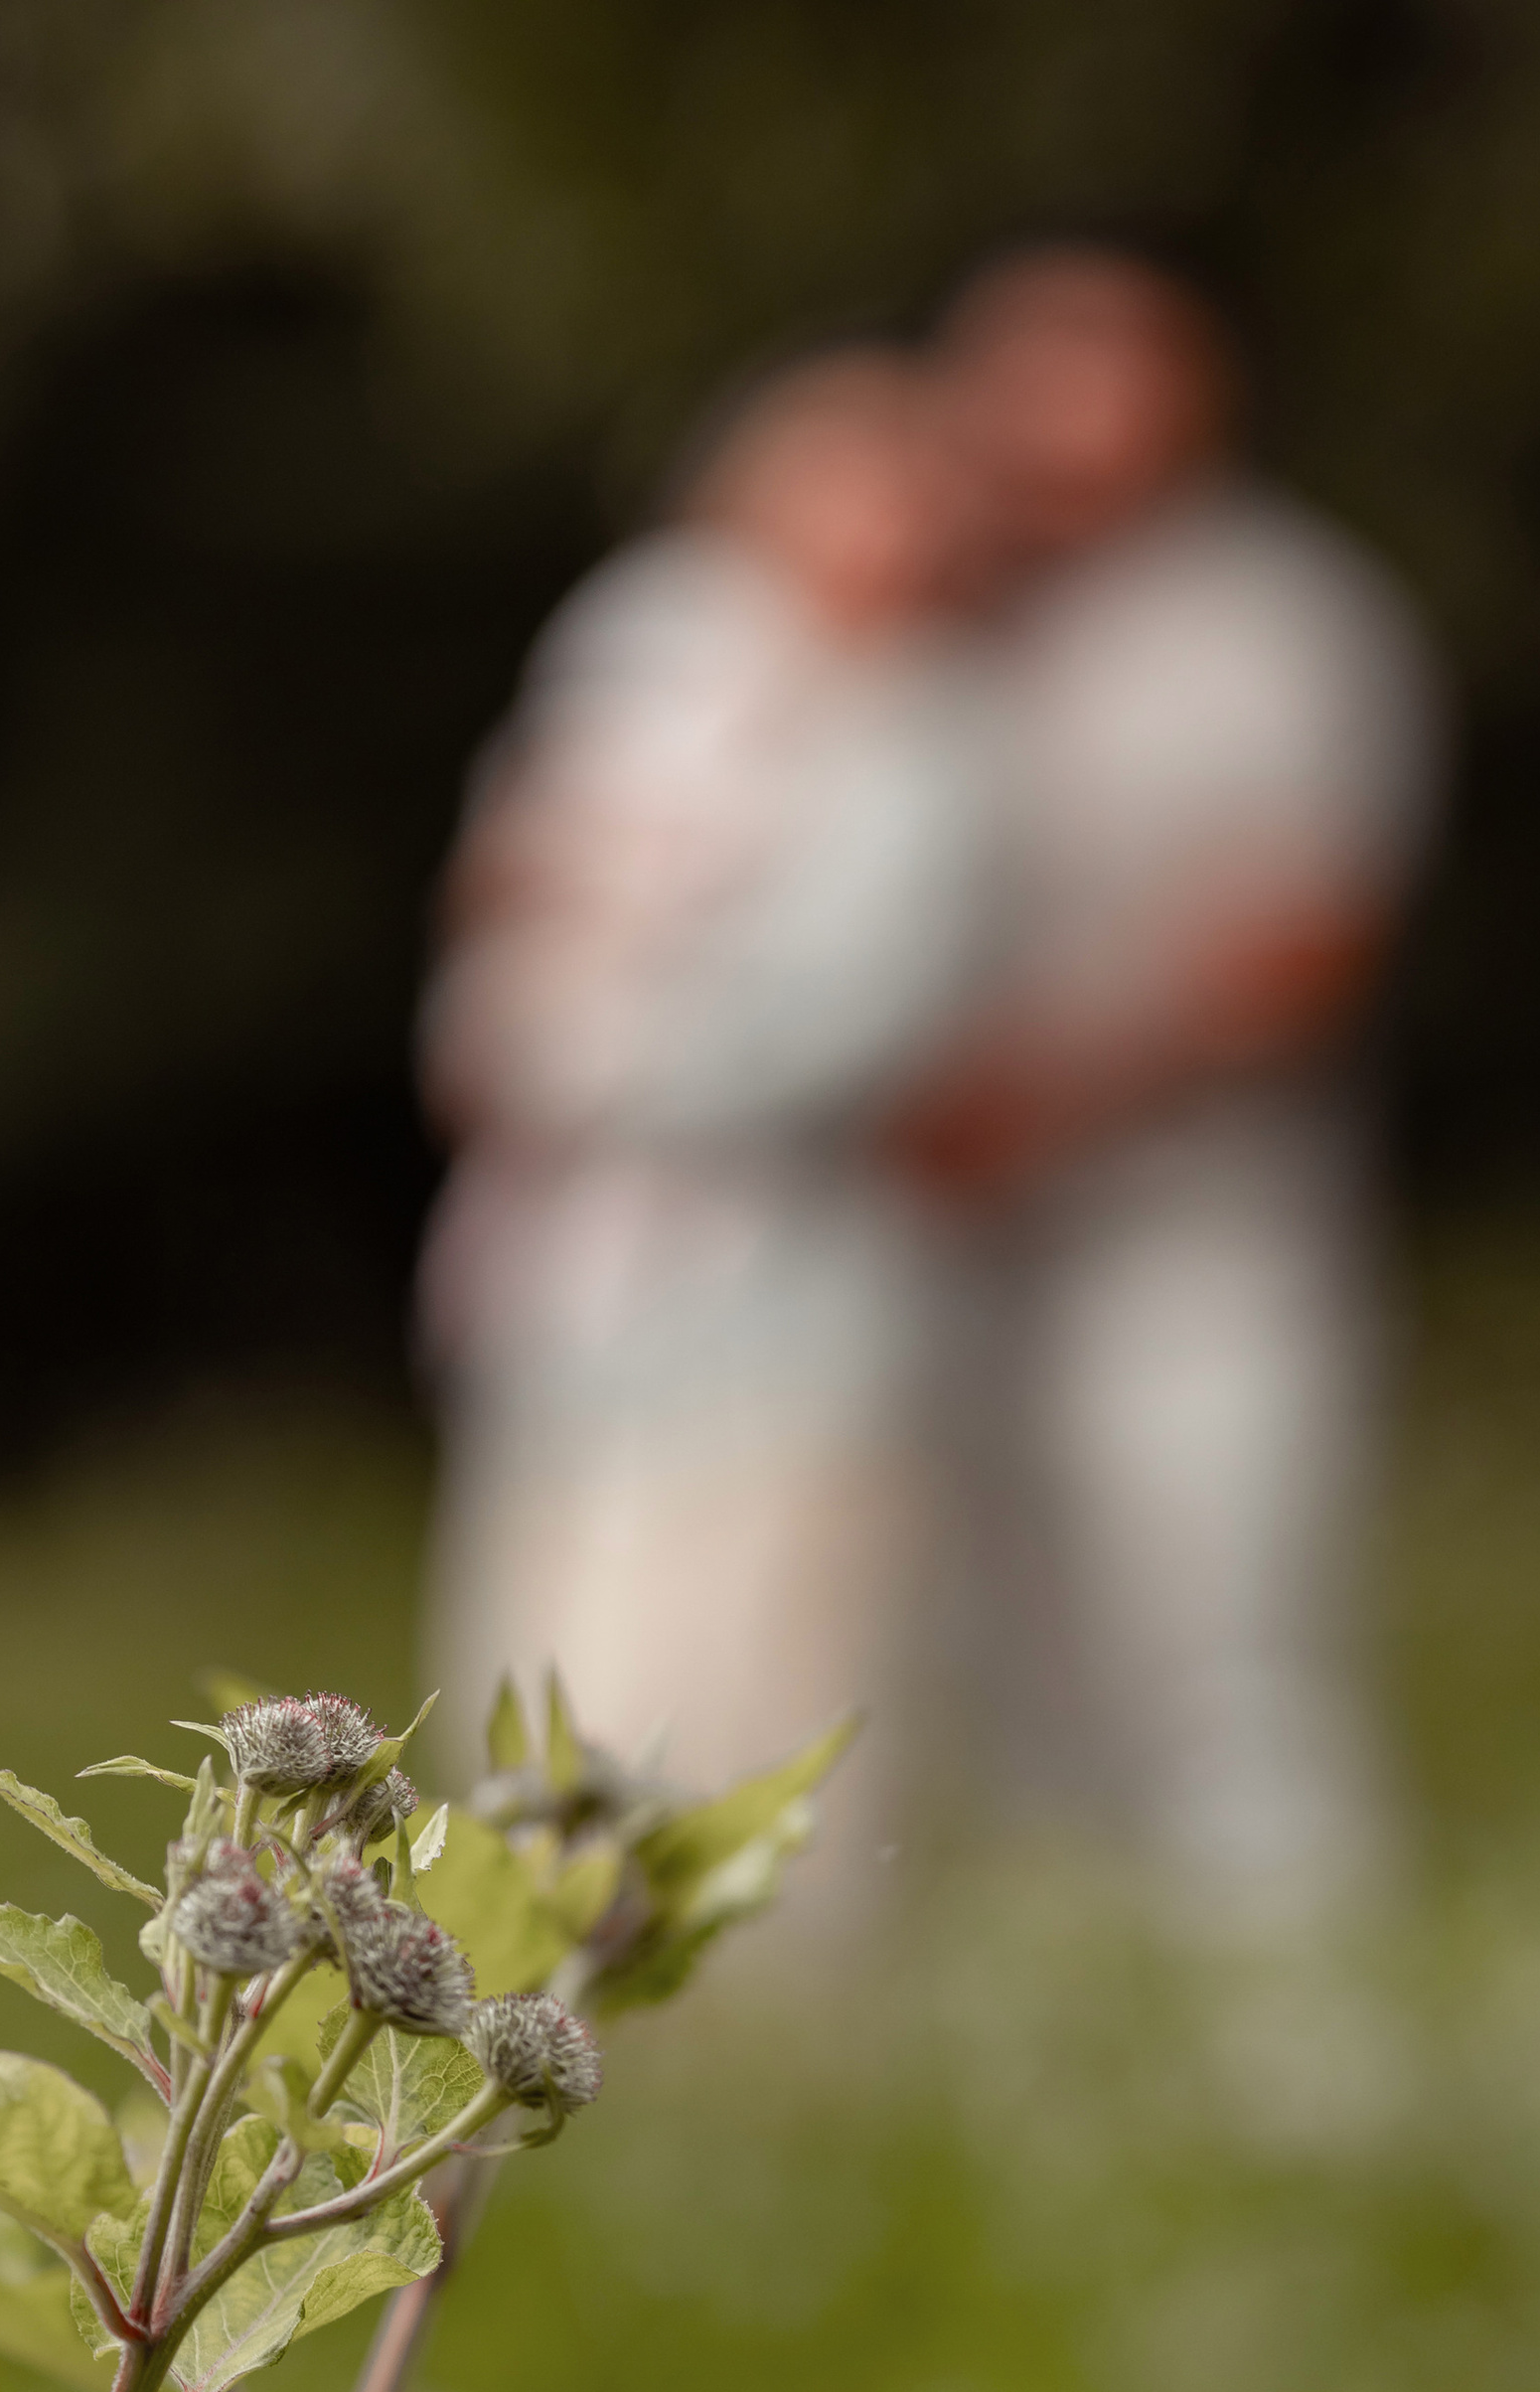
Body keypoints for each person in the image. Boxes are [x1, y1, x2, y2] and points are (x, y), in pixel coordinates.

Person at [901, 248, 1447, 1926]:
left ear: (1184, 396)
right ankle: (1091, 2091)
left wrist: (1040, 1102)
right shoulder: (936, 616)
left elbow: (1304, 942)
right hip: (951, 1256)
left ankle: (1314, 2075)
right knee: (1009, 1694)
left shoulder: (1275, 623)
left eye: (1092, 378)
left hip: (1201, 1247)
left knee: (1221, 1665)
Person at [415, 350, 1001, 1845]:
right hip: (580, 1282)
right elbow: (513, 891)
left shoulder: (924, 748)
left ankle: (758, 2027)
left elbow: (841, 1024)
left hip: (790, 1291)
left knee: (757, 1667)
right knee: (547, 1652)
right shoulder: (641, 659)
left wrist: (585, 1065)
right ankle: (527, 1997)